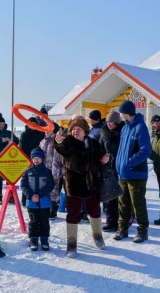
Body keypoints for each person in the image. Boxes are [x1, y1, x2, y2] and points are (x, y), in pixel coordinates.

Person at [54, 118, 110, 257]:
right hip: (74, 184)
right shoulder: (68, 142)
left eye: (78, 129)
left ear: (85, 131)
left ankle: (98, 236)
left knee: (95, 211)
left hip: (92, 183)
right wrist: (58, 140)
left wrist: (104, 160)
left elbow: (100, 158)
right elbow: (60, 148)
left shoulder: (93, 143)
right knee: (73, 213)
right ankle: (71, 245)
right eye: (73, 129)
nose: (75, 131)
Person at [114, 101, 151, 243]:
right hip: (123, 174)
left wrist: (129, 163)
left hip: (136, 174)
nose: (120, 115)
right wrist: (119, 164)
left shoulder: (141, 127)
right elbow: (122, 150)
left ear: (127, 112)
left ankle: (142, 231)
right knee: (122, 203)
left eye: (121, 112)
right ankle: (122, 229)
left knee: (138, 204)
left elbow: (146, 150)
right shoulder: (125, 128)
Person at [20, 148, 55, 251]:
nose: (36, 160)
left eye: (38, 158)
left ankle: (44, 240)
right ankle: (33, 240)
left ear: (42, 159)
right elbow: (23, 185)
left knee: (44, 221)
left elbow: (50, 185)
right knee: (33, 221)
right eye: (34, 158)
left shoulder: (47, 172)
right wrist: (31, 195)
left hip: (44, 203)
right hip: (32, 203)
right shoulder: (28, 171)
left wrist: (39, 195)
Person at [99, 110, 126, 232]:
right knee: (108, 195)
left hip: (119, 167)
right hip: (107, 167)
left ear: (117, 122)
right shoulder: (104, 132)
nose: (109, 124)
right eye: (107, 122)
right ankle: (111, 221)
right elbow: (100, 147)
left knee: (120, 196)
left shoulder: (123, 132)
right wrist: (102, 157)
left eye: (111, 122)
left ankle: (123, 220)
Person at [0, 115, 19, 204]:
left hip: (8, 159)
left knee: (9, 177)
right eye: (0, 124)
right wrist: (0, 140)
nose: (2, 125)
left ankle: (10, 196)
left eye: (3, 124)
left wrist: (11, 140)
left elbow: (17, 140)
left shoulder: (8, 132)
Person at [19, 117, 45, 205]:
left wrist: (40, 158)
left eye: (35, 123)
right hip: (28, 161)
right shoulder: (24, 134)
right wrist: (29, 159)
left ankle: (38, 198)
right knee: (27, 181)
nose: (33, 125)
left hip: (39, 160)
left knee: (38, 181)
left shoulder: (41, 134)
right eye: (31, 123)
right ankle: (25, 199)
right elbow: (22, 148)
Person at [39, 122, 61, 219]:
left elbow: (57, 156)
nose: (46, 129)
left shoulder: (55, 140)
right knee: (44, 189)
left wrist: (55, 170)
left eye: (48, 127)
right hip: (44, 168)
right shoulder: (43, 141)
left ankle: (53, 210)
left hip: (53, 168)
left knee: (54, 190)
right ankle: (45, 208)